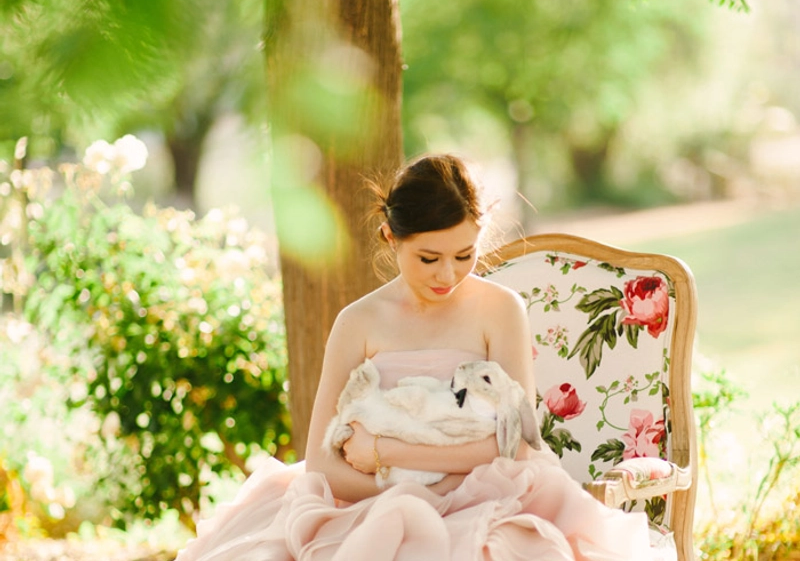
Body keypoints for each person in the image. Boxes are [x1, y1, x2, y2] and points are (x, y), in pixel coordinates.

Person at [175, 154, 654, 561]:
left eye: (464, 255)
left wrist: (387, 454)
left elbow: (517, 443)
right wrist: (402, 501)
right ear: (390, 237)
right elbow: (321, 463)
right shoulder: (357, 322)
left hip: (486, 501)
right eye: (429, 258)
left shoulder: (500, 310)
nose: (448, 275)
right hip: (368, 506)